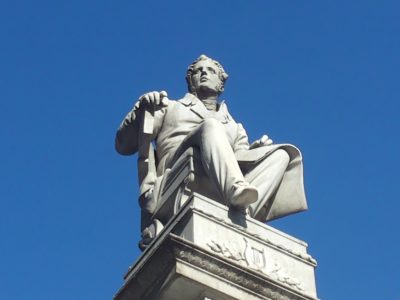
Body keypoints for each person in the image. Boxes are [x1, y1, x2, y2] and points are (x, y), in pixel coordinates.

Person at [115, 55, 307, 223]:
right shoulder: (170, 107)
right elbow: (123, 145)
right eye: (198, 71)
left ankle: (244, 211)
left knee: (282, 154)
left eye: (210, 71)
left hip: (220, 176)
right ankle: (235, 192)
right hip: (177, 171)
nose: (204, 73)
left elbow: (239, 156)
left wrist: (256, 151)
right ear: (191, 81)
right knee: (211, 126)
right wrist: (140, 110)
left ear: (221, 83)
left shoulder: (235, 126)